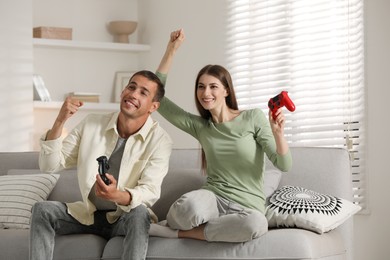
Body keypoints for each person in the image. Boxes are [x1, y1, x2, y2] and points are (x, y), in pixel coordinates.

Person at [149, 29, 292, 242]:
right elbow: (156, 96)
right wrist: (171, 50)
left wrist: (278, 134)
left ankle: (178, 233)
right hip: (212, 199)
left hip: (247, 207)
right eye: (201, 87)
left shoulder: (252, 117)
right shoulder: (200, 126)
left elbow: (284, 164)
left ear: (226, 90)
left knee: (256, 224)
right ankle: (201, 227)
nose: (206, 93)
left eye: (213, 86)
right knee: (185, 209)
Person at [30, 70, 173, 260]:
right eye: (131, 87)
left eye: (143, 92)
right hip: (89, 215)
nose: (133, 94)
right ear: (123, 92)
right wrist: (60, 120)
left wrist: (118, 195)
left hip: (125, 216)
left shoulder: (160, 141)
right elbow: (50, 166)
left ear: (153, 106)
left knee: (140, 213)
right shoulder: (91, 124)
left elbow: (150, 190)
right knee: (42, 209)